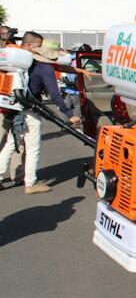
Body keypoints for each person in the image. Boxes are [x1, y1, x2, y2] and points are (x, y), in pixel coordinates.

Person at [0, 32, 81, 193]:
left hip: (17, 108)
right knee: (32, 147)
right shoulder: (45, 68)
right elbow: (55, 95)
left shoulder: (27, 63)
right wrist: (70, 114)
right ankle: (31, 183)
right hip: (31, 111)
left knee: (10, 144)